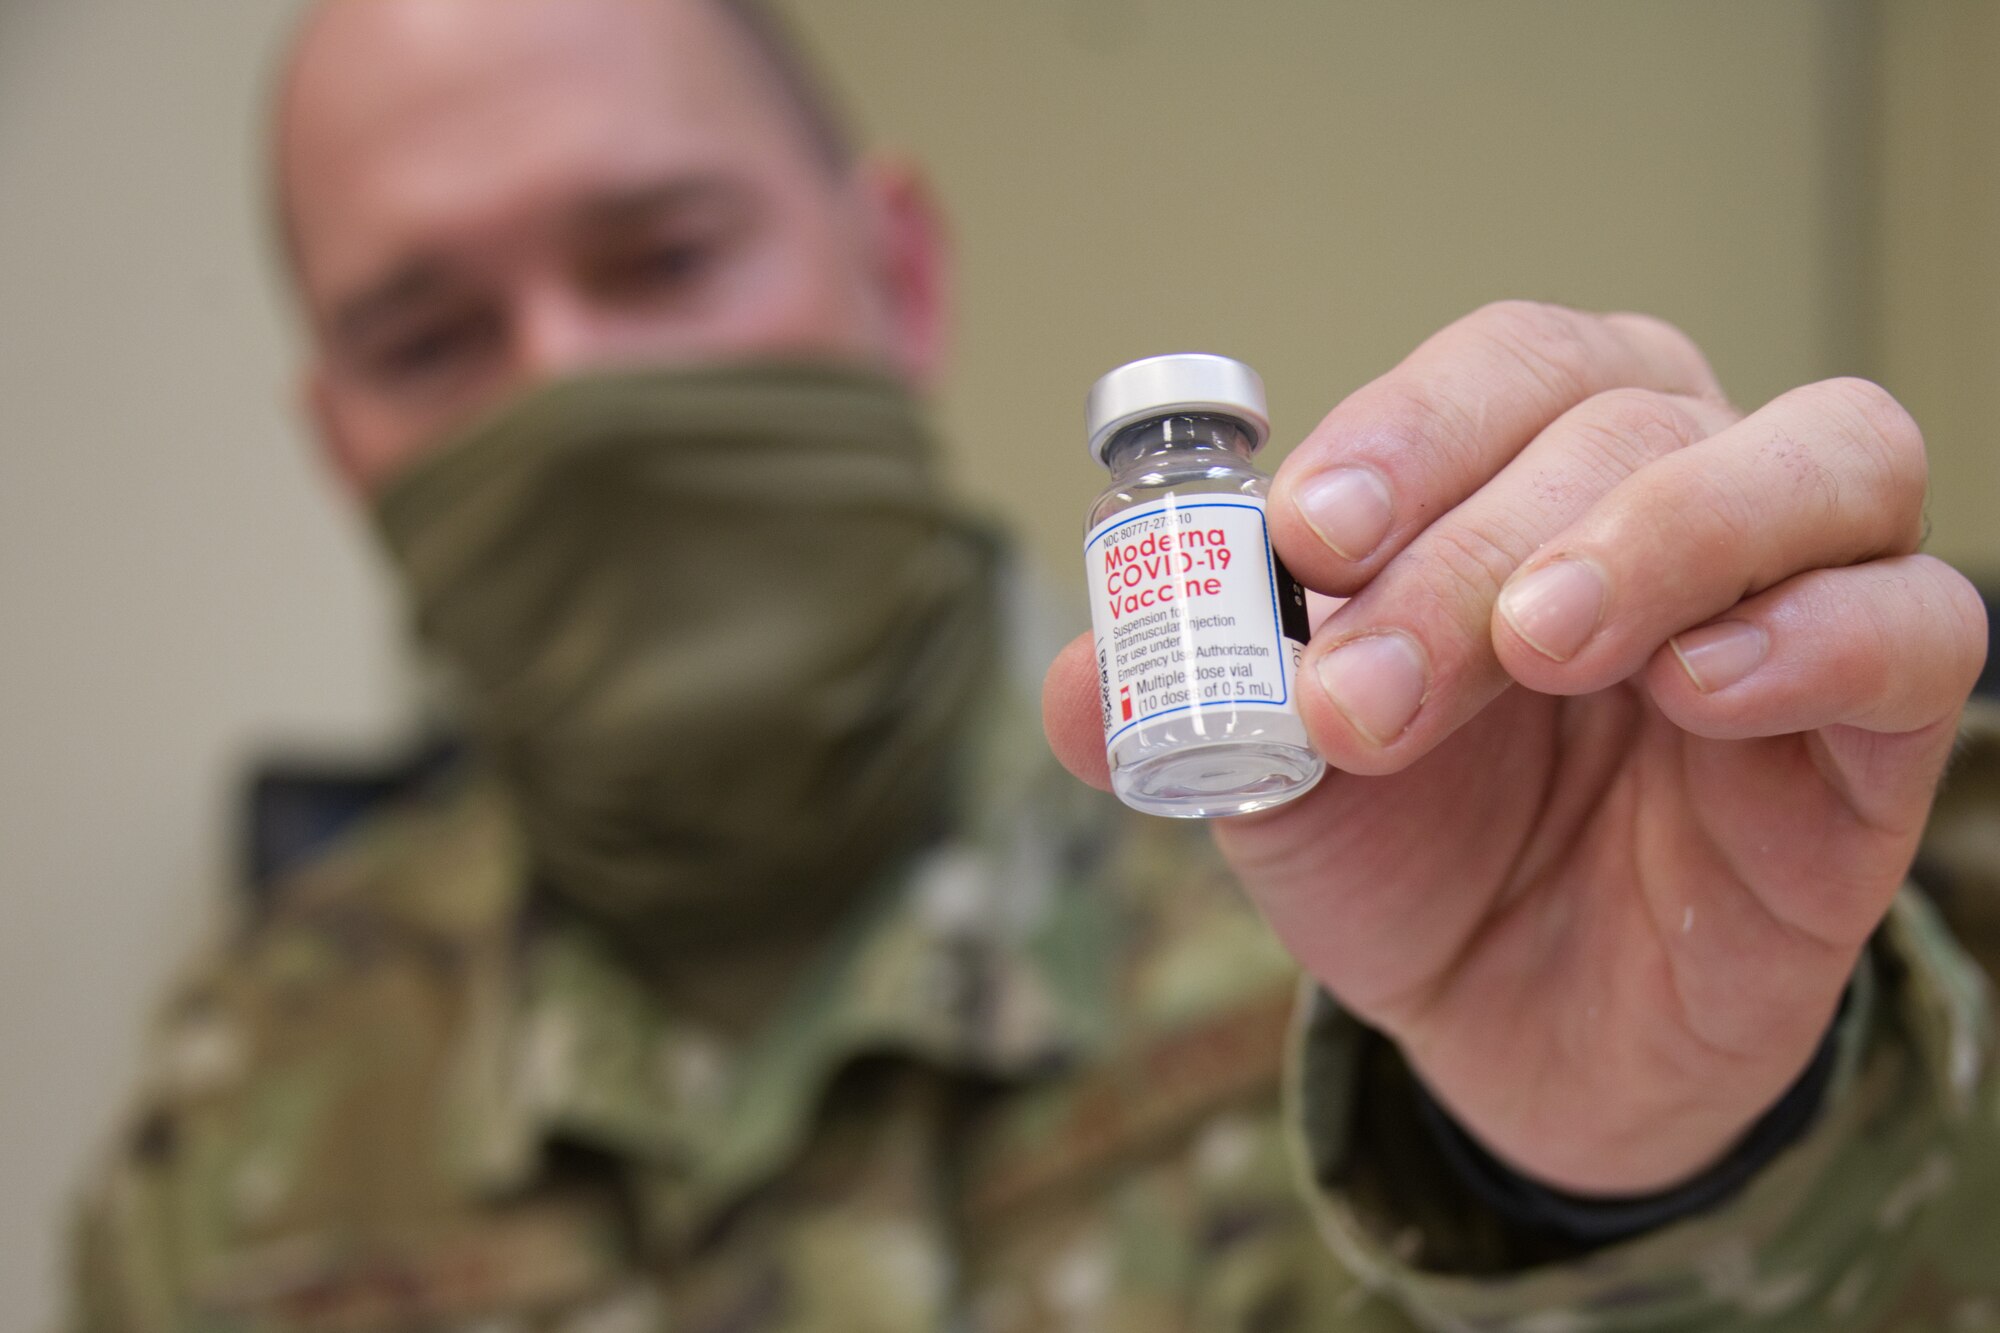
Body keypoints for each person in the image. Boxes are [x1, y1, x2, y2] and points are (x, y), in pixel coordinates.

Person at [64, 0, 2000, 1328]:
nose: (571, 398)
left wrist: (1659, 1170)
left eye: (660, 256)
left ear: (896, 271)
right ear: (341, 442)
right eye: (428, 338)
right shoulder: (249, 1102)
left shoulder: (1390, 853)